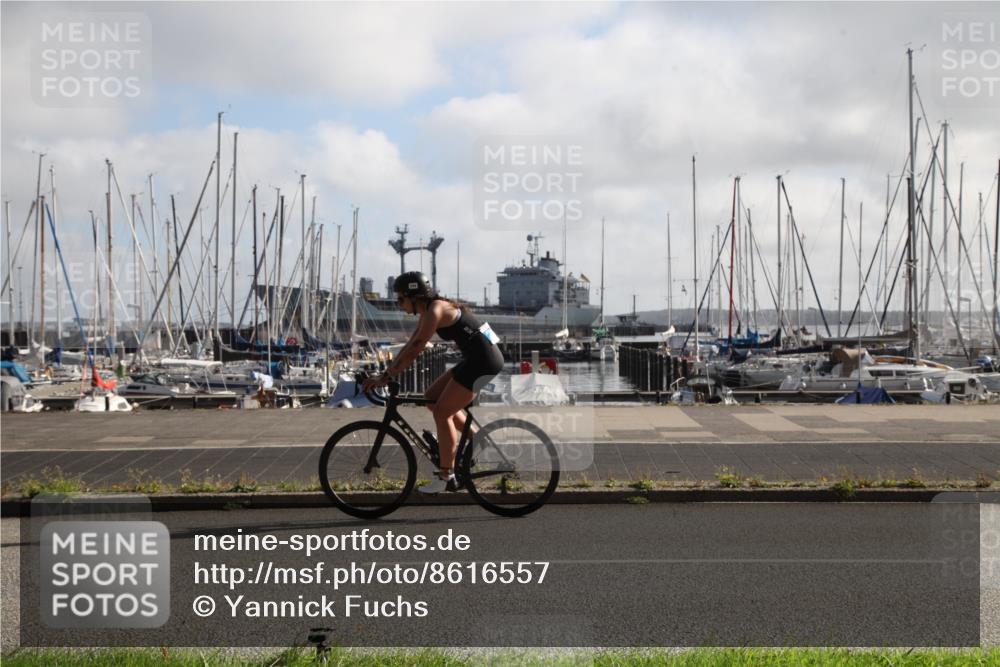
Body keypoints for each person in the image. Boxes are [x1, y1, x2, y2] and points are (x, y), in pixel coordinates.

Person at [362, 271, 504, 493]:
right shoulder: (430, 310)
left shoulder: (435, 310)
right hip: (477, 358)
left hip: (484, 362)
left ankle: (446, 475)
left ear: (414, 296)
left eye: (400, 299)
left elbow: (418, 347)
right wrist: (387, 373)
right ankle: (477, 439)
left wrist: (387, 377)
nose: (399, 305)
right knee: (432, 398)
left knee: (442, 413)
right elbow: (411, 345)